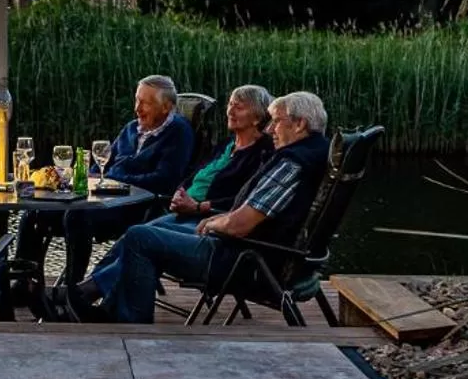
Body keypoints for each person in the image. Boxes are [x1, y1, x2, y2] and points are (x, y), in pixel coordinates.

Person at [49, 91, 333, 323]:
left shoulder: (292, 164)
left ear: (300, 124)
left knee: (140, 237)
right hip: (248, 249)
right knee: (149, 229)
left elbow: (240, 225)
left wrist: (212, 221)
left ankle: (126, 321)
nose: (270, 129)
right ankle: (99, 302)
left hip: (242, 259)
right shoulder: (310, 154)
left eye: (276, 121)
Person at [15, 74, 196, 287]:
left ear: (166, 107)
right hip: (102, 198)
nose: (137, 108)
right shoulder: (131, 128)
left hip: (134, 208)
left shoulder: (178, 132)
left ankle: (72, 290)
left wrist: (115, 180)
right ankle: (23, 284)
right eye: (136, 100)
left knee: (76, 217)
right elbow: (102, 164)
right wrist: (89, 177)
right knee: (33, 214)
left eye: (145, 103)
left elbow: (164, 180)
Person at [167, 85, 273, 221]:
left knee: (139, 233)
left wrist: (198, 206)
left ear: (257, 118)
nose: (230, 111)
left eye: (239, 108)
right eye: (230, 104)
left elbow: (245, 198)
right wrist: (179, 192)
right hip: (183, 212)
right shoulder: (227, 143)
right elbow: (195, 173)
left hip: (211, 220)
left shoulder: (262, 152)